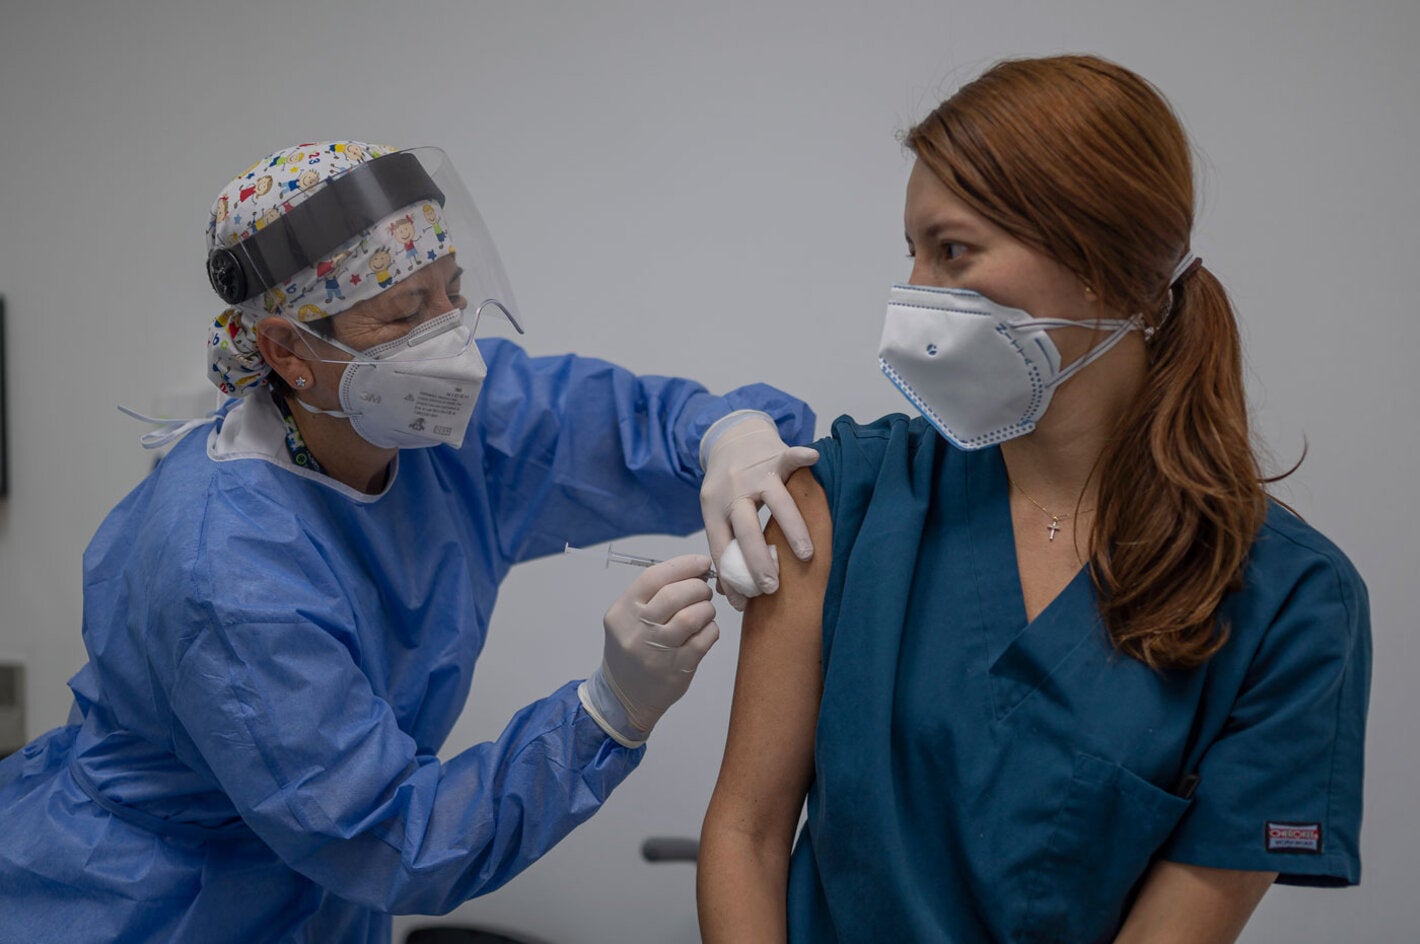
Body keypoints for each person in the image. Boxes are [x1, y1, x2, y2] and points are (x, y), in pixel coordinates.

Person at [0, 140, 820, 943]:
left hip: (325, 901)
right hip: (158, 905)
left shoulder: (442, 430)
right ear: (288, 351)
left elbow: (627, 426)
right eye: (402, 314)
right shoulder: (227, 566)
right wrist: (605, 712)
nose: (448, 342)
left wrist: (733, 435)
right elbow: (387, 837)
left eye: (450, 293)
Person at [698, 55, 1371, 944]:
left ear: (1104, 266)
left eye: (952, 251)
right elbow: (744, 836)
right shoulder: (846, 498)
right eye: (911, 252)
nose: (915, 296)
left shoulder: (1290, 601)